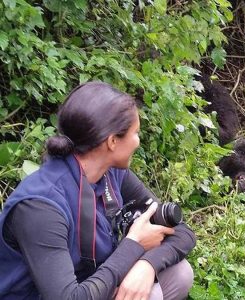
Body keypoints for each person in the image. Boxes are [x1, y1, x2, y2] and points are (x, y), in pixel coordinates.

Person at [0, 81, 196, 299]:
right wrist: (133, 245)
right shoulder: (40, 207)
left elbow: (181, 232)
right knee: (150, 296)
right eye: (136, 133)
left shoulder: (111, 174)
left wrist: (147, 264)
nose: (138, 142)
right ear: (112, 141)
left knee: (179, 273)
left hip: (89, 282)